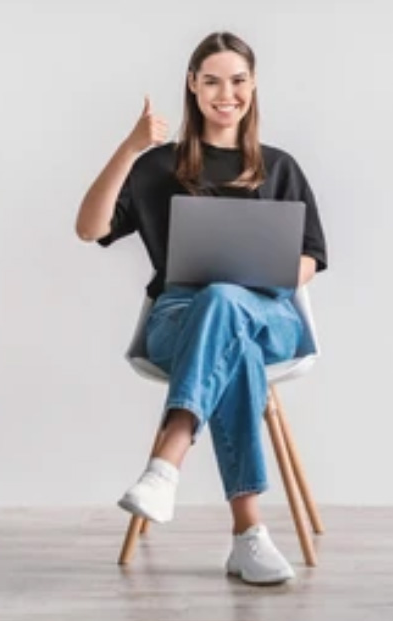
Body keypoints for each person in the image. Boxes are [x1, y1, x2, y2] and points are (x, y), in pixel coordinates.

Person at [75, 31, 327, 585]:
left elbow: (312, 257)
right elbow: (89, 227)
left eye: (237, 81)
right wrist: (131, 146)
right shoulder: (158, 167)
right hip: (178, 318)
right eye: (211, 80)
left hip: (270, 316)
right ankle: (248, 537)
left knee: (229, 303)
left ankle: (167, 463)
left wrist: (260, 274)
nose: (225, 93)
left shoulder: (280, 167)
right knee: (222, 318)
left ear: (253, 86)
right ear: (192, 85)